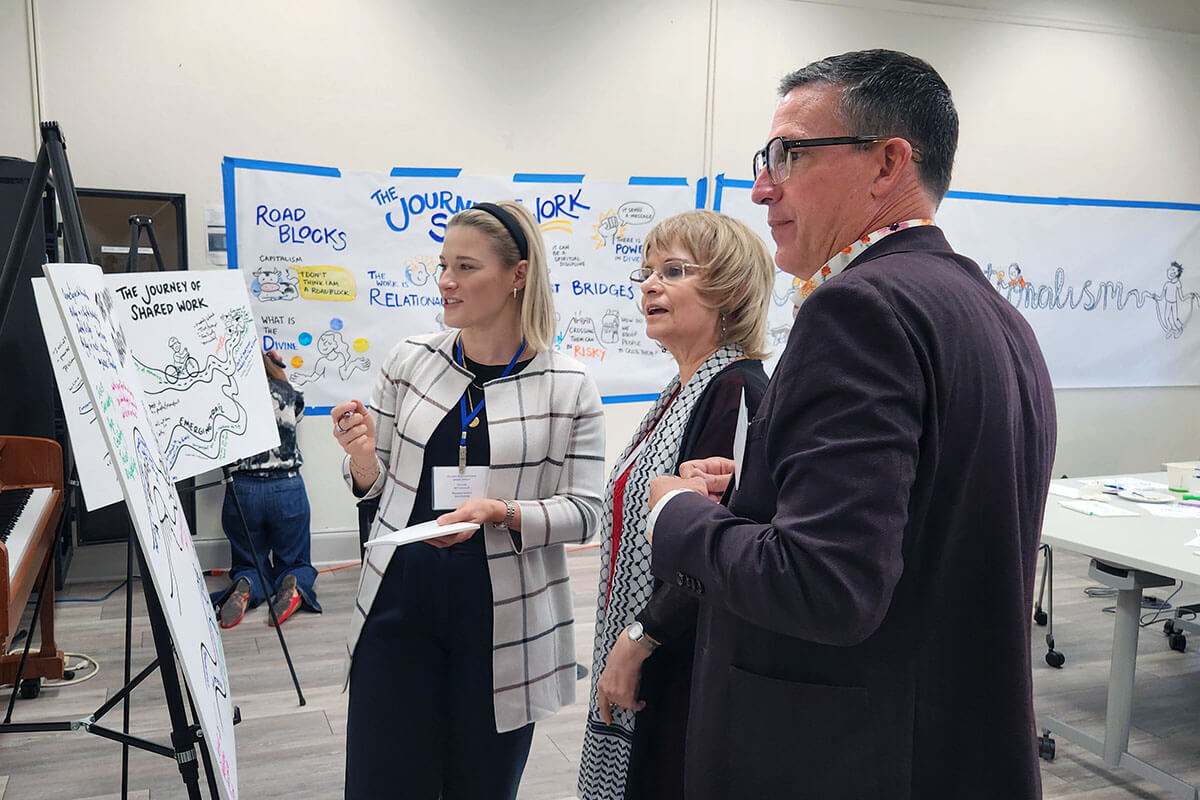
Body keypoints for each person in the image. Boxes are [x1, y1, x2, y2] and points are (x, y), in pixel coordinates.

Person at [646, 50, 1056, 800]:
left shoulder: (857, 310)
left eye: (790, 154)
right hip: (947, 741)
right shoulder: (992, 315)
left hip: (842, 756)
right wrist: (761, 494)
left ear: (888, 162)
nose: (761, 185)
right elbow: (925, 520)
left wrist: (678, 515)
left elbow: (824, 586)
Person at [331, 200, 605, 800]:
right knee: (382, 780)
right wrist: (359, 459)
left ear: (518, 275)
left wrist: (498, 513)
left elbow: (587, 513)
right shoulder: (412, 361)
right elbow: (377, 489)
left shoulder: (568, 385)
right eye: (443, 265)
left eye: (465, 266)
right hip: (400, 599)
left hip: (503, 615)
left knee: (480, 784)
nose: (446, 282)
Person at [577, 211, 774, 800]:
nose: (649, 285)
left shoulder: (735, 391)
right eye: (646, 271)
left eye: (673, 271)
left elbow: (713, 547)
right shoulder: (682, 389)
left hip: (685, 656)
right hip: (658, 645)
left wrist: (638, 641)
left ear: (729, 289)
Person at [214, 350, 319, 628]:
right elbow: (296, 414)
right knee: (295, 558)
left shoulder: (228, 394)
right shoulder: (291, 391)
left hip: (243, 488)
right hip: (286, 486)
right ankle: (292, 585)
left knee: (249, 559)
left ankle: (246, 584)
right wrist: (278, 367)